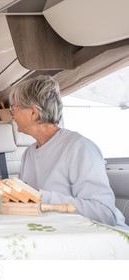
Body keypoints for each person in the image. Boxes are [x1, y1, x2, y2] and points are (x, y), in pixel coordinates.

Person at [9, 75, 128, 230]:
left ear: (33, 112)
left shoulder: (79, 148)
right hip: (56, 231)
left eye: (14, 108)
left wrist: (41, 197)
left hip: (104, 237)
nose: (12, 115)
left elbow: (104, 214)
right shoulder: (29, 153)